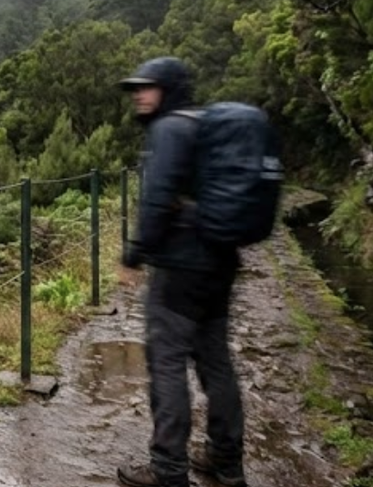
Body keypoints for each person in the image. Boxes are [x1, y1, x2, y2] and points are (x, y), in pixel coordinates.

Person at [115, 57, 247, 487]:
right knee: (216, 364)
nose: (138, 94)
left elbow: (157, 199)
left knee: (167, 363)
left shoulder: (169, 129)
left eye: (147, 87)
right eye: (135, 87)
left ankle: (168, 470)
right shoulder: (207, 126)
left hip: (179, 269)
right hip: (220, 263)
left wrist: (134, 254)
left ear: (168, 90)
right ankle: (226, 464)